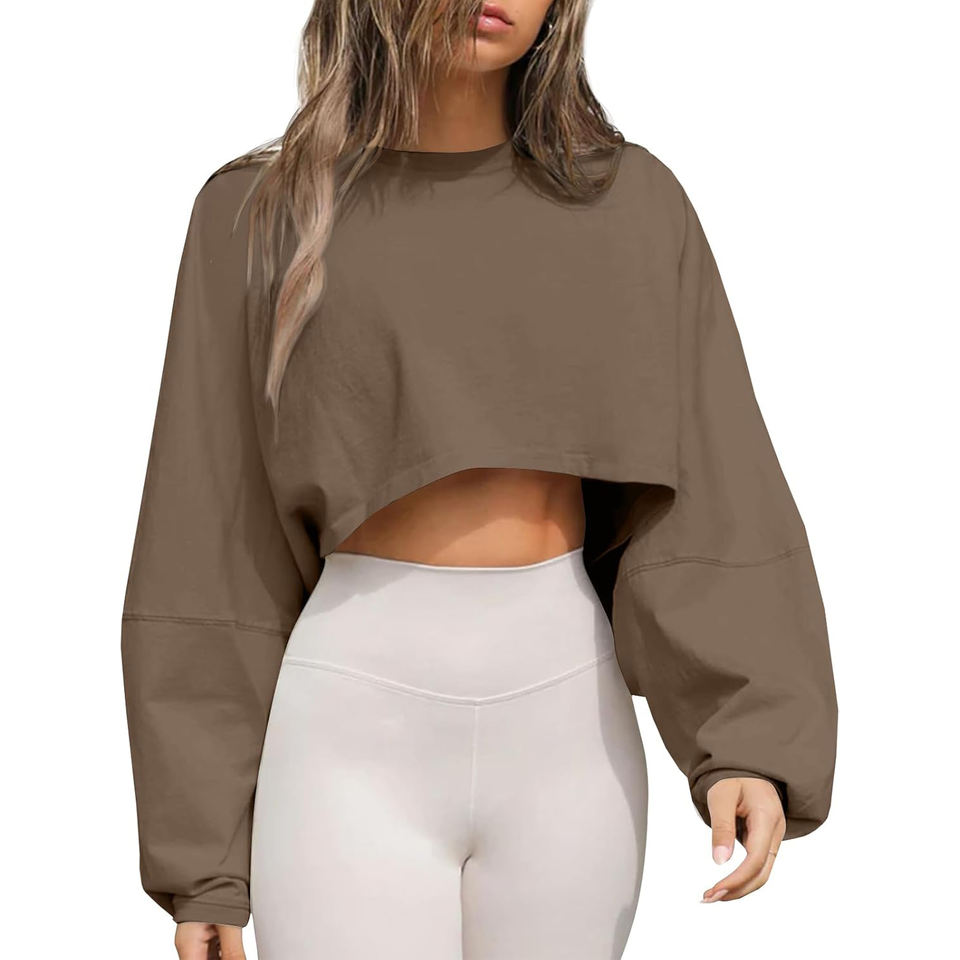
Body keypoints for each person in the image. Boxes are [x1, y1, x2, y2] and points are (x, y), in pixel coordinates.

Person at [120, 2, 839, 958]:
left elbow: (712, 482)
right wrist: (203, 865)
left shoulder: (630, 205)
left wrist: (745, 738)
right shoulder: (259, 214)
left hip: (569, 734)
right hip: (348, 732)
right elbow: (210, 533)